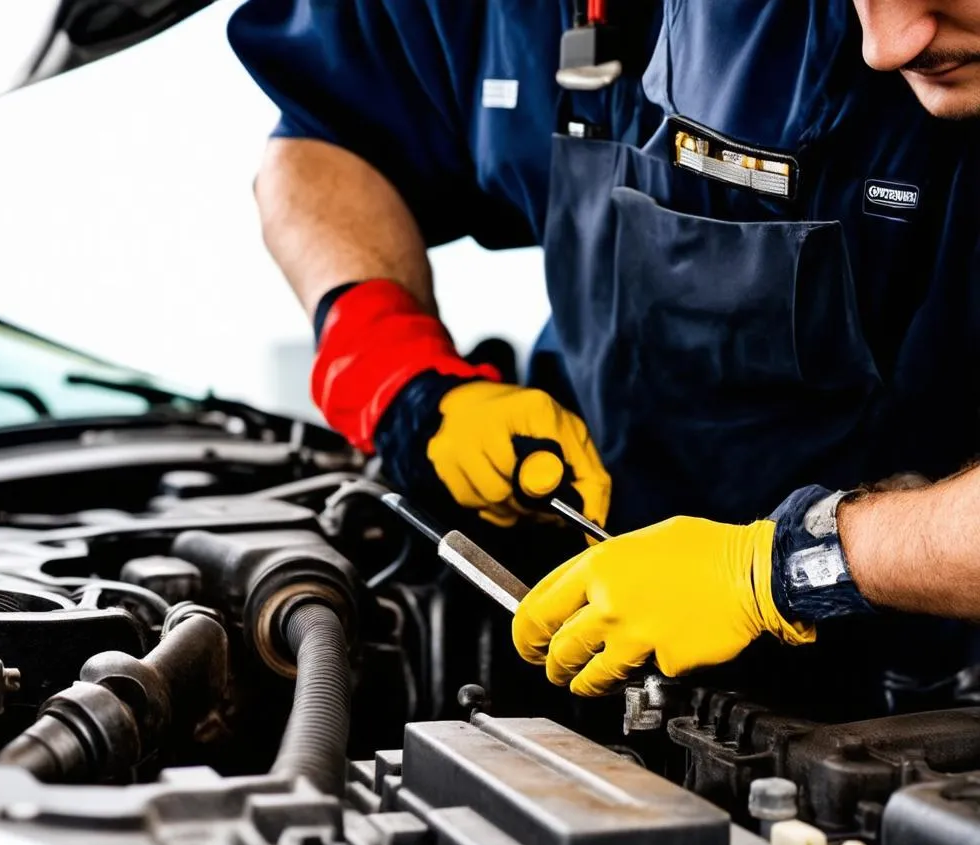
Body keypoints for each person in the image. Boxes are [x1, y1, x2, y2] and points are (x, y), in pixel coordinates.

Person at [228, 0, 980, 705]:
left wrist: (780, 571)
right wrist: (401, 374)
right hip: (599, 616)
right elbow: (325, 141)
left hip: (920, 682)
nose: (889, 43)